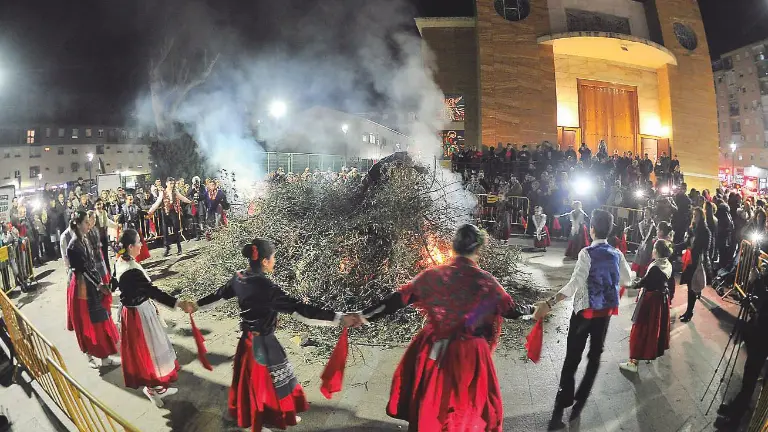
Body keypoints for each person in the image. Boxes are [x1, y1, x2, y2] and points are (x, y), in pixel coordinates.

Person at [357, 224, 535, 431]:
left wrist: (362, 317)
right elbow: (511, 309)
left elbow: (398, 299)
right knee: (465, 404)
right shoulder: (486, 282)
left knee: (434, 399)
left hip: (435, 348)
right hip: (470, 353)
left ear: (453, 247)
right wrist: (533, 309)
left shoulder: (432, 276)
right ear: (478, 249)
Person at [190, 238, 357, 431]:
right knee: (271, 381)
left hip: (247, 341)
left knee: (264, 381)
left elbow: (218, 295)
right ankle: (266, 419)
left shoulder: (238, 278)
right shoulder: (267, 288)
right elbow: (299, 309)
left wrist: (196, 305)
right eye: (273, 257)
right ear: (264, 261)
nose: (274, 261)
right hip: (263, 343)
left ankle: (265, 415)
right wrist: (338, 318)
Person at [533, 209, 633, 424]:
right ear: (610, 229)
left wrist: (550, 302)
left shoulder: (586, 253)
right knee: (595, 356)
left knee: (573, 356)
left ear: (592, 229)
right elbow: (627, 280)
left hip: (584, 314)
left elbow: (574, 285)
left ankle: (564, 397)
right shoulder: (618, 254)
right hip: (604, 315)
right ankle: (583, 396)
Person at [114, 229, 196, 407]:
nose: (142, 245)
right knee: (150, 352)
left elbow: (116, 282)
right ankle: (151, 389)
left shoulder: (121, 260)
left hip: (137, 312)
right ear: (130, 247)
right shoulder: (130, 269)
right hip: (139, 316)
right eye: (139, 242)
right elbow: (153, 292)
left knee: (154, 349)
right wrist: (179, 303)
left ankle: (158, 388)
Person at [66, 211, 121, 369]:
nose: (88, 225)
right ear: (78, 224)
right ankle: (90, 356)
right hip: (82, 288)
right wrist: (99, 285)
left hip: (92, 282)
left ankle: (104, 357)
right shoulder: (73, 245)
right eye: (85, 222)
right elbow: (81, 270)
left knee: (100, 319)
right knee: (87, 322)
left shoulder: (84, 239)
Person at [619, 240, 674, 373]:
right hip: (661, 299)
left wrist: (629, 284)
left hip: (651, 300)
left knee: (640, 328)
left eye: (654, 248)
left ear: (656, 251)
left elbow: (644, 282)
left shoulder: (655, 267)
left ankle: (633, 362)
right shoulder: (667, 263)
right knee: (654, 329)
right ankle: (649, 353)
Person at [679, 207, 712, 323]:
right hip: (690, 260)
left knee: (692, 288)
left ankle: (689, 312)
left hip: (697, 261)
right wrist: (676, 246)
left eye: (697, 215)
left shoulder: (705, 231)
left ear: (701, 217)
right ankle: (688, 311)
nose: (695, 217)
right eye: (694, 215)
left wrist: (694, 248)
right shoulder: (692, 228)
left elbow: (706, 248)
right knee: (689, 287)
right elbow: (686, 243)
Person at [149, 177, 192, 256]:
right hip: (165, 212)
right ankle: (167, 248)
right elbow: (158, 202)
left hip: (173, 212)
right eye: (170, 183)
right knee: (165, 231)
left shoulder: (175, 191)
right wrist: (151, 210)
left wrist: (190, 201)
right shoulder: (163, 192)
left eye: (173, 183)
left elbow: (182, 197)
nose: (171, 185)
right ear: (166, 183)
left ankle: (179, 247)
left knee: (176, 229)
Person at [631, 208, 656, 276]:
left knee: (645, 258)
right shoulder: (642, 223)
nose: (645, 214)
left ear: (651, 214)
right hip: (642, 243)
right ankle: (637, 274)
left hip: (649, 244)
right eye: (645, 212)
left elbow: (654, 234)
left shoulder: (653, 224)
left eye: (647, 212)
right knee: (638, 258)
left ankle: (644, 274)